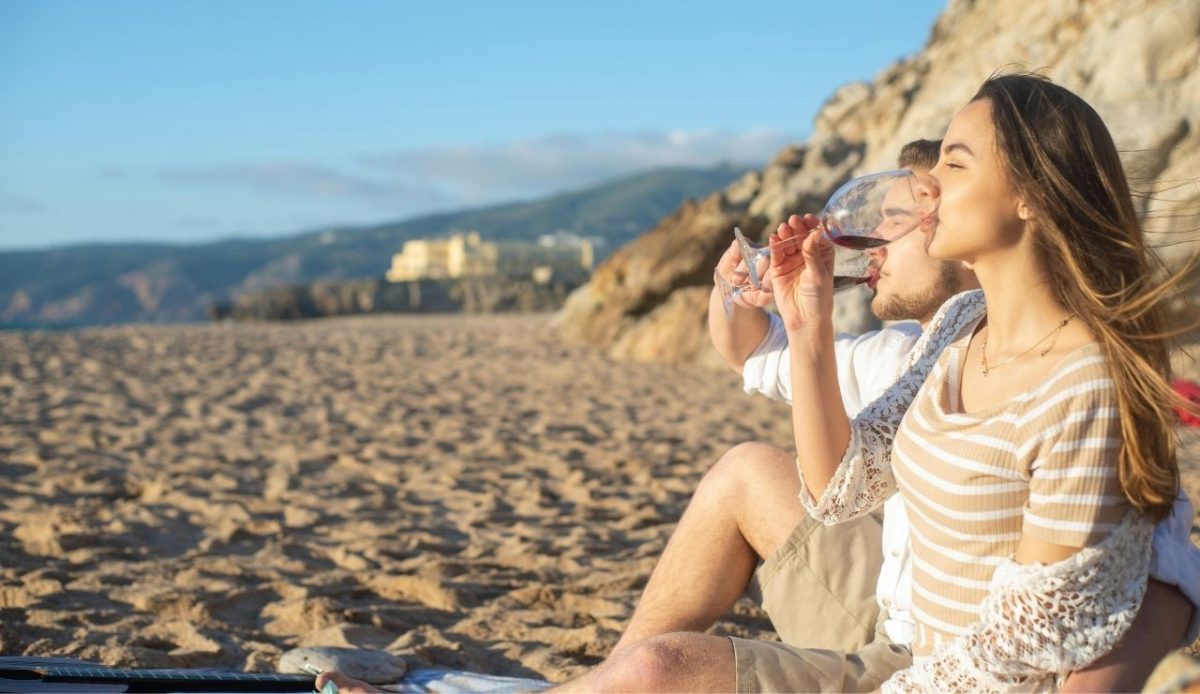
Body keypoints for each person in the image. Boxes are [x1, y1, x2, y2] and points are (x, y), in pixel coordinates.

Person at [765, 72, 1197, 690]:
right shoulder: (962, 324)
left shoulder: (1084, 384)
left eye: (954, 162)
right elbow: (843, 487)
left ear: (1030, 196)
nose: (925, 185)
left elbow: (1024, 645)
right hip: (921, 671)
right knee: (654, 668)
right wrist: (807, 326)